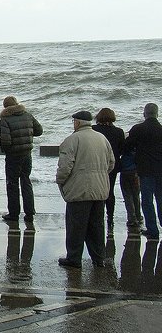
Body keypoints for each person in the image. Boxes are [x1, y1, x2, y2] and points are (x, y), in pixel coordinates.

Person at [56, 110, 114, 269]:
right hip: (100, 189)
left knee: (76, 226)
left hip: (80, 190)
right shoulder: (102, 138)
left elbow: (65, 167)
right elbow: (111, 163)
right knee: (97, 226)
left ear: (78, 122)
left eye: (74, 121)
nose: (73, 124)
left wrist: (60, 181)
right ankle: (98, 258)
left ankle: (74, 258)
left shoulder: (72, 140)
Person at [0, 96, 43, 223]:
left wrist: (6, 150)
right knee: (26, 182)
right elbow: (39, 131)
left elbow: (5, 142)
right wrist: (27, 133)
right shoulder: (28, 115)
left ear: (5, 107)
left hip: (13, 156)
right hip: (27, 155)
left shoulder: (5, 119)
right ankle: (29, 213)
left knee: (12, 184)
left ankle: (13, 214)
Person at [123, 102, 162, 241]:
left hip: (145, 171)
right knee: (160, 199)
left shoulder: (138, 129)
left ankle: (152, 230)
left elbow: (127, 147)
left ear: (144, 114)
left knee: (147, 201)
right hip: (160, 170)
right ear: (157, 114)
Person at [92, 108, 126, 228]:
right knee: (109, 191)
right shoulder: (119, 132)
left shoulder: (94, 130)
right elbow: (122, 149)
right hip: (113, 165)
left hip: (96, 164)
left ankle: (98, 216)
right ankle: (110, 218)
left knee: (97, 190)